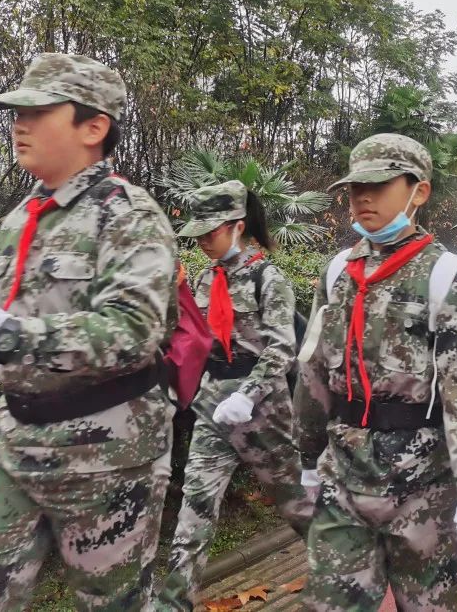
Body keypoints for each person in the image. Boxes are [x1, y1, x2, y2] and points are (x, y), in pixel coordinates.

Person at [0, 53, 178, 611]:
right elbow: (2, 322)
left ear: (94, 127)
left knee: (112, 605)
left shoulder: (129, 215)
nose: (20, 123)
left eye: (39, 111)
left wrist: (7, 335)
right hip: (15, 446)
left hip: (108, 455)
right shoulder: (21, 217)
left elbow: (132, 330)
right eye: (17, 111)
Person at [293, 134, 457, 611]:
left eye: (380, 185)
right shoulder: (337, 271)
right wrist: (308, 458)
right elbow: (312, 372)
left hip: (423, 488)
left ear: (419, 191)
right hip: (344, 479)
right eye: (355, 187)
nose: (363, 197)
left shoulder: (443, 275)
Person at [157, 181, 314, 610]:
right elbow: (193, 341)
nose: (203, 241)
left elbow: (283, 347)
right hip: (213, 407)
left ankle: (339, 572)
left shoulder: (269, 277)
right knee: (197, 503)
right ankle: (175, 601)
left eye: (211, 231)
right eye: (199, 234)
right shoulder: (204, 279)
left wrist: (248, 394)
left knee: (295, 503)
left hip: (264, 410)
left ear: (237, 225)